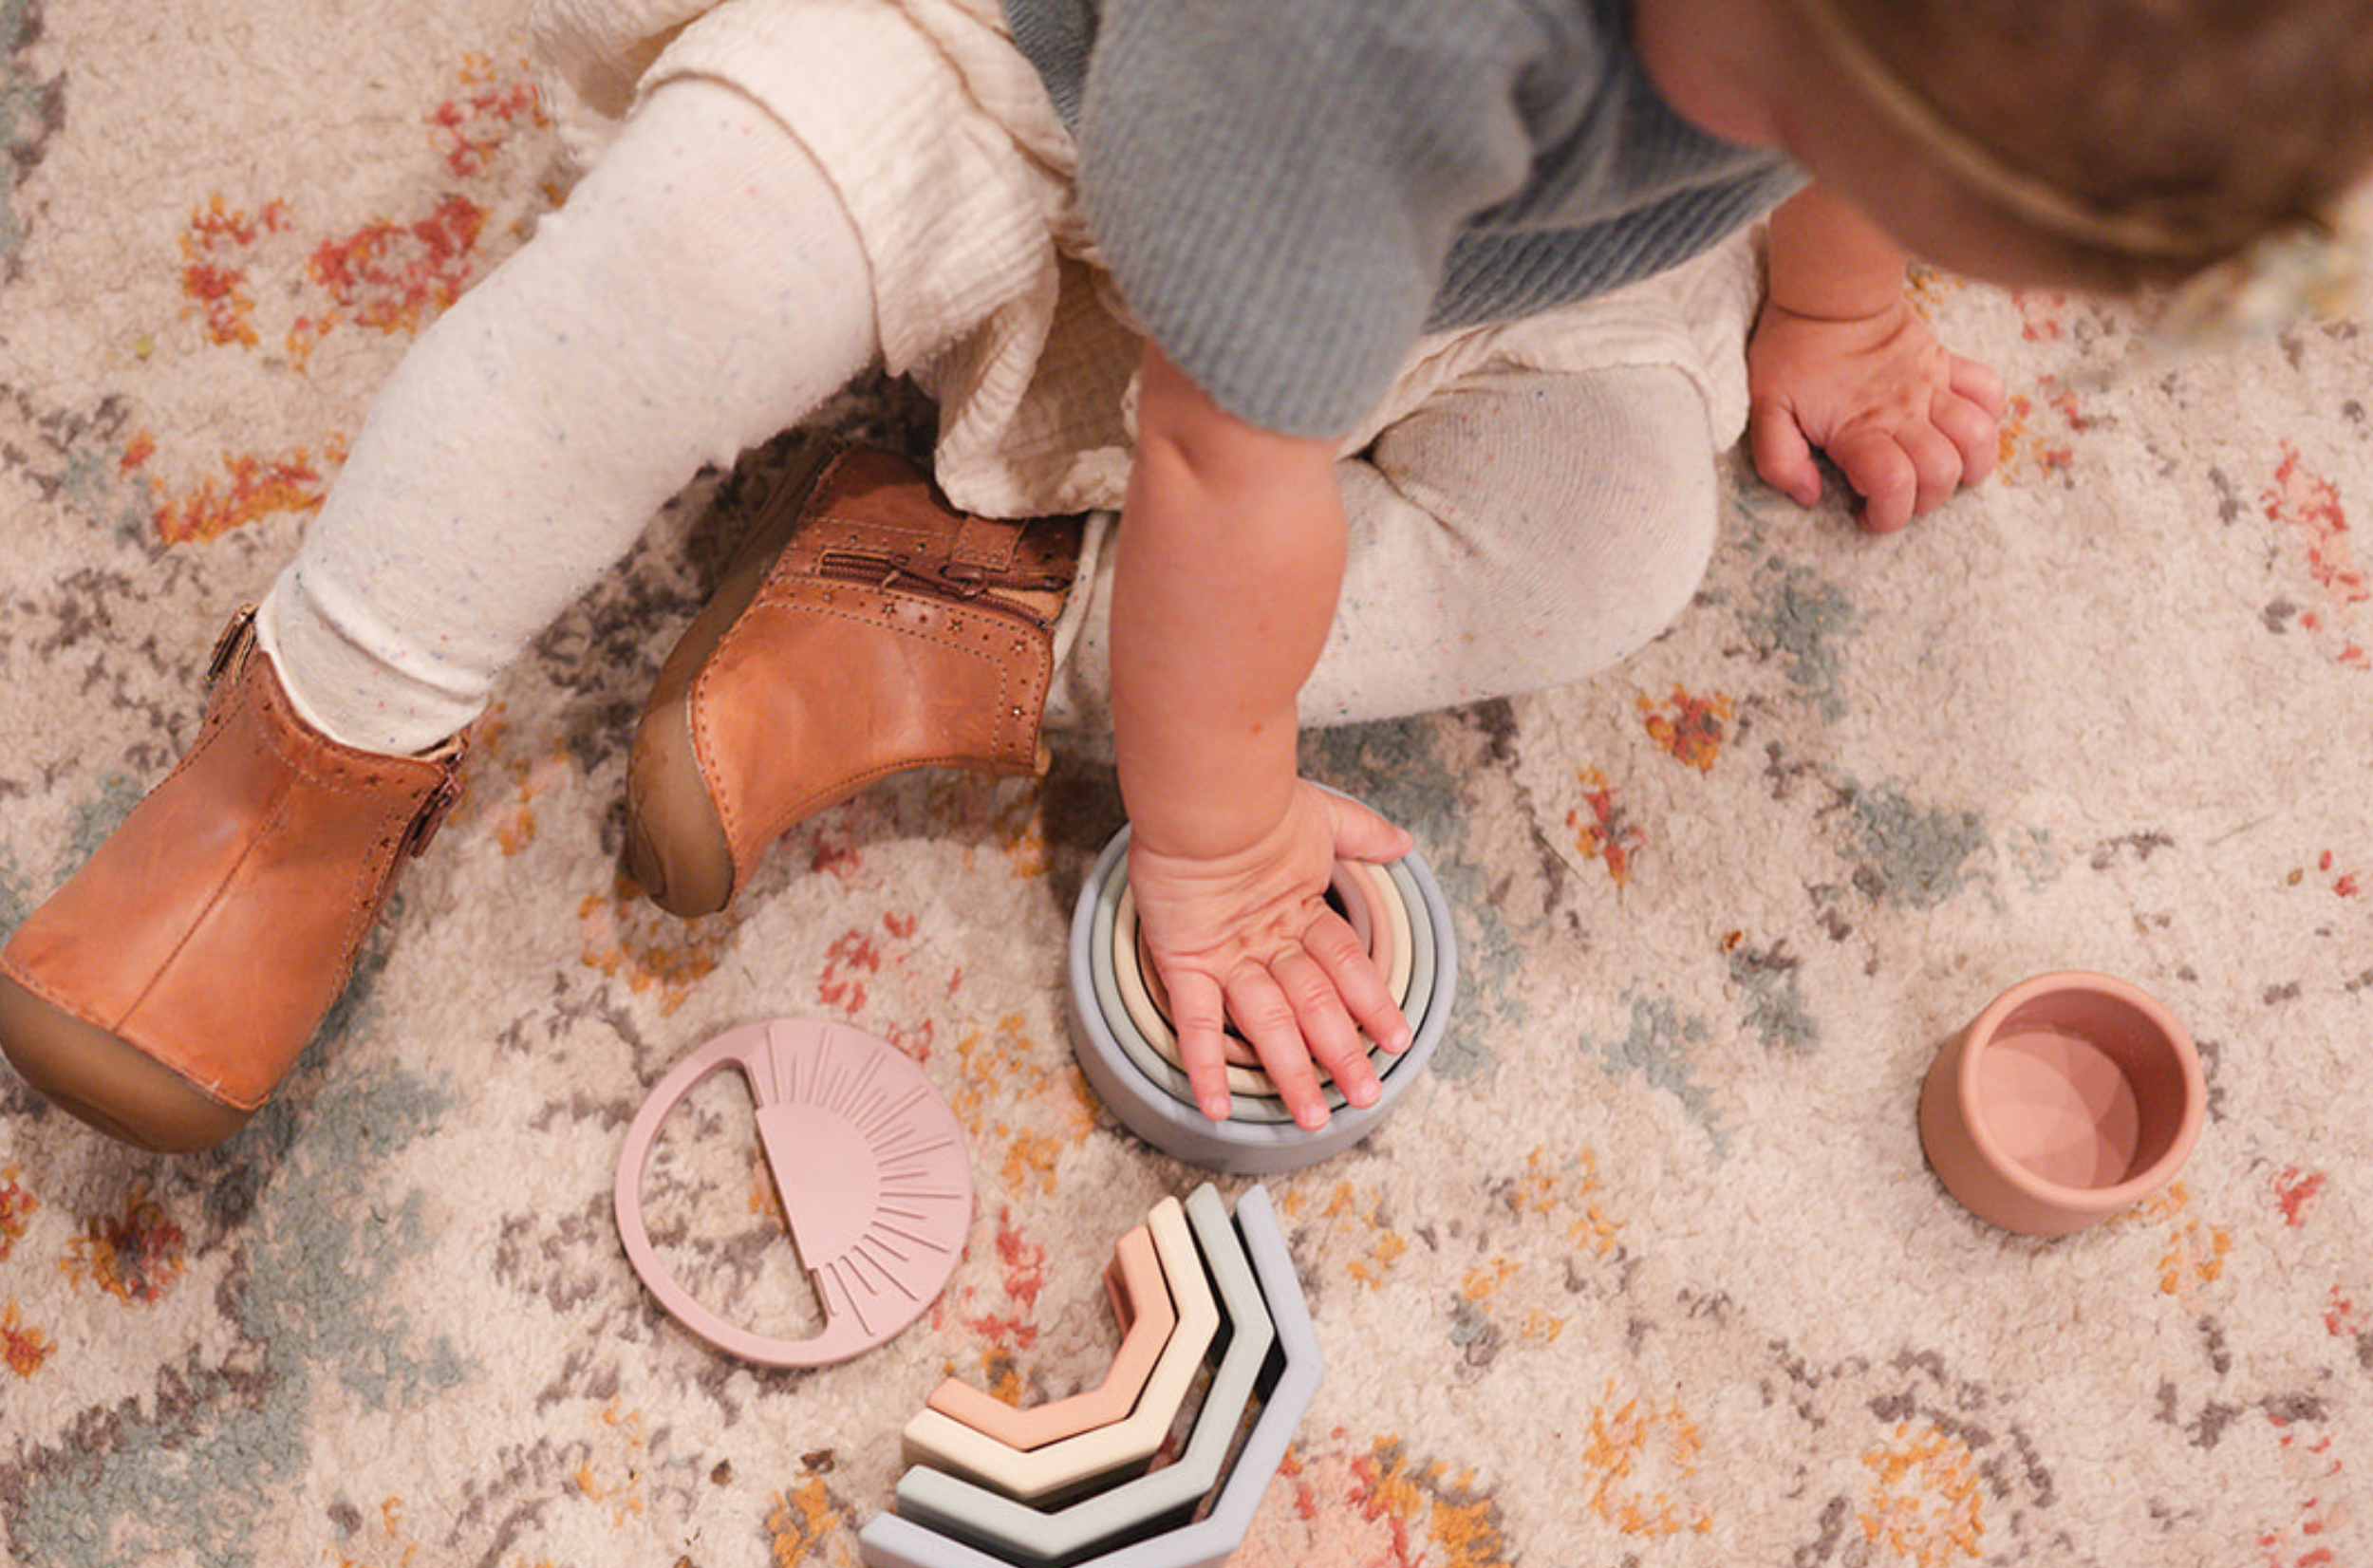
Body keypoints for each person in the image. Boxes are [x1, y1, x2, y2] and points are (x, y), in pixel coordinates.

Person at [3, 0, 2366, 1151]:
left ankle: (945, 605)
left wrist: (1836, 299)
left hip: (1470, 239)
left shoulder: (1823, 56)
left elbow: (1817, 146)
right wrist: (1213, 838)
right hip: (1033, 77)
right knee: (681, 267)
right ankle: (319, 735)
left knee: (1610, 534)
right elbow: (1234, 452)